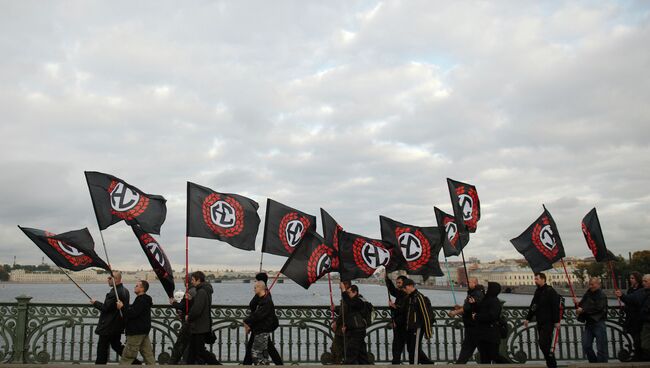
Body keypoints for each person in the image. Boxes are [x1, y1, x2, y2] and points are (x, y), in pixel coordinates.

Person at [90, 271, 140, 365]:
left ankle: (100, 365)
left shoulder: (115, 292)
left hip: (108, 326)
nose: (107, 280)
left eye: (109, 278)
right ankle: (135, 363)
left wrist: (95, 302)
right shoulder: (125, 290)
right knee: (116, 346)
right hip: (118, 325)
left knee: (102, 348)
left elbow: (106, 308)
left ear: (116, 279)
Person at [243, 273, 283, 365]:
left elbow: (257, 309)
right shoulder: (262, 294)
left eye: (256, 280)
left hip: (260, 325)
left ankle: (246, 364)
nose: (254, 283)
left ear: (260, 282)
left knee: (254, 348)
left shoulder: (265, 296)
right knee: (268, 347)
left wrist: (247, 321)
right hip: (258, 325)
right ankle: (279, 364)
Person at [524, 273, 561, 368]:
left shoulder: (550, 291)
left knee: (543, 343)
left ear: (543, 279)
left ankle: (552, 364)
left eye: (537, 279)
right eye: (535, 279)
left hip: (549, 321)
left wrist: (557, 321)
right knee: (545, 345)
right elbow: (533, 306)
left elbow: (555, 307)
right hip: (540, 321)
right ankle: (551, 364)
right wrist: (528, 318)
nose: (535, 281)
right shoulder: (538, 291)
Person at [116, 280, 155, 365]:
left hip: (136, 332)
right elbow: (135, 311)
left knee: (127, 356)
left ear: (142, 288)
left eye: (137, 286)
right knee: (148, 356)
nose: (135, 287)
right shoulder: (144, 299)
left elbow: (132, 313)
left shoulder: (141, 300)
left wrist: (122, 307)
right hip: (143, 331)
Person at [186, 271, 221, 365]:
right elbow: (202, 304)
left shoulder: (201, 291)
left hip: (199, 326)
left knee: (199, 351)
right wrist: (192, 299)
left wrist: (189, 317)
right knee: (192, 351)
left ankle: (217, 365)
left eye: (193, 280)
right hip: (202, 325)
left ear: (198, 280)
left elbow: (197, 310)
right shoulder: (206, 290)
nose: (191, 282)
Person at [448, 277, 485, 364]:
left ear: (475, 283)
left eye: (469, 282)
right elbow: (469, 308)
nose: (467, 284)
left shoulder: (476, 294)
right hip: (473, 326)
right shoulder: (474, 293)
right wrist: (460, 307)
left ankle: (459, 364)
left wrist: (455, 312)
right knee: (473, 349)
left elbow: (468, 308)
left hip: (474, 326)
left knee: (469, 349)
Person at [616, 274, 650, 361]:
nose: (643, 283)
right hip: (644, 321)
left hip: (643, 320)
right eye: (643, 281)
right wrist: (622, 295)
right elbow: (631, 298)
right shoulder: (642, 291)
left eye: (645, 281)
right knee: (644, 344)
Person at [575, 277, 608, 363]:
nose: (591, 286)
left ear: (598, 284)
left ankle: (602, 365)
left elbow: (598, 308)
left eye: (592, 284)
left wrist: (583, 310)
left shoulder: (602, 295)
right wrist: (578, 303)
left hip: (598, 323)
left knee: (601, 348)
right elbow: (583, 304)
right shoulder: (588, 293)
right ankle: (594, 363)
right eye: (590, 284)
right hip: (589, 323)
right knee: (586, 345)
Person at [403, 278, 434, 364]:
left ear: (410, 286)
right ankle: (428, 364)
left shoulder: (419, 297)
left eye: (405, 288)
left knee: (414, 350)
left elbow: (426, 315)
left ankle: (415, 365)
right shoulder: (409, 297)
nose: (404, 290)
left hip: (417, 327)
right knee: (410, 349)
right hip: (410, 328)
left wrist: (428, 332)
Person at [341, 283, 371, 365]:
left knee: (351, 351)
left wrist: (343, 291)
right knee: (362, 354)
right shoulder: (355, 301)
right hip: (356, 329)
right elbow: (351, 315)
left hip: (358, 330)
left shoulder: (358, 301)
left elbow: (350, 303)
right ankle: (365, 365)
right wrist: (346, 326)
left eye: (349, 293)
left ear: (355, 292)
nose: (348, 295)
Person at [472, 282, 502, 363]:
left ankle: (510, 366)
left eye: (488, 288)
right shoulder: (487, 299)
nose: (486, 290)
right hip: (483, 333)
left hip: (491, 334)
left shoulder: (494, 301)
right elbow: (481, 309)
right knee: (484, 357)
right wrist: (474, 304)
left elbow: (491, 316)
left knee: (494, 356)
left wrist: (477, 316)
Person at [385, 274, 408, 364]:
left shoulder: (406, 295)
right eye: (397, 283)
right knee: (397, 346)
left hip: (402, 325)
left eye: (399, 283)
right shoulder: (401, 293)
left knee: (404, 346)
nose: (398, 284)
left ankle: (426, 362)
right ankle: (395, 362)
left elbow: (404, 311)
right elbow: (393, 291)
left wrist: (394, 307)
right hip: (398, 324)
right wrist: (387, 280)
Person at [169, 287, 196, 364]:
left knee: (182, 344)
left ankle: (175, 362)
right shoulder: (196, 291)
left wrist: (173, 303)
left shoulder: (191, 291)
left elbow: (184, 306)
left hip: (189, 323)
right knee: (192, 345)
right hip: (192, 322)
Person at [620, 272, 643, 361]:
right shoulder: (630, 289)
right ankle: (638, 355)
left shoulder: (641, 289)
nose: (630, 280)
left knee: (638, 339)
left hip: (638, 318)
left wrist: (622, 296)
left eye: (632, 278)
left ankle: (639, 356)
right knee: (635, 338)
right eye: (630, 278)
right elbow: (628, 301)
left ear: (637, 279)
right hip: (630, 318)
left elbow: (633, 300)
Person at [329, 280, 351, 364]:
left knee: (337, 350)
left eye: (340, 285)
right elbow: (343, 310)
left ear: (345, 285)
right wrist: (336, 309)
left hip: (343, 329)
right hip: (345, 328)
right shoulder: (348, 296)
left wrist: (336, 323)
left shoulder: (347, 296)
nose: (339, 287)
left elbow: (344, 313)